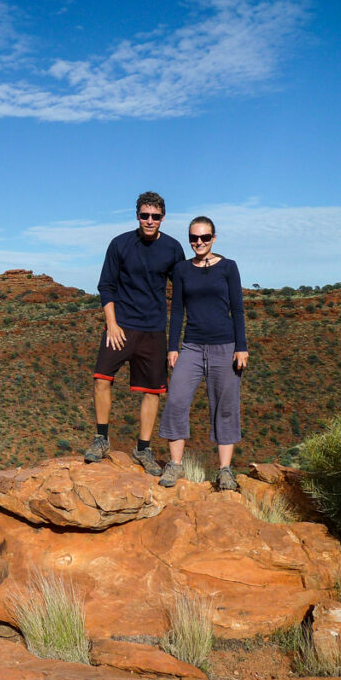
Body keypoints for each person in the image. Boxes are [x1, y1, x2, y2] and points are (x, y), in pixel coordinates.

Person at [84, 192, 186, 474]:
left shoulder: (173, 248)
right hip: (121, 326)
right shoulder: (120, 244)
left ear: (163, 218)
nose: (149, 221)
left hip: (153, 329)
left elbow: (181, 291)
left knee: (152, 391)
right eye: (145, 215)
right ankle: (101, 439)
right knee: (101, 378)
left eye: (155, 216)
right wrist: (112, 324)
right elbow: (106, 286)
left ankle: (143, 449)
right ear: (137, 216)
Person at [157, 215, 249, 490]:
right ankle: (175, 466)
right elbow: (176, 311)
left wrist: (241, 347)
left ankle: (224, 471)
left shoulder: (229, 267)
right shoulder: (183, 270)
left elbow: (238, 309)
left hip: (225, 346)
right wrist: (173, 347)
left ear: (214, 238)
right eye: (194, 238)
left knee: (225, 407)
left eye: (205, 237)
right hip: (192, 347)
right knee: (176, 401)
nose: (199, 242)